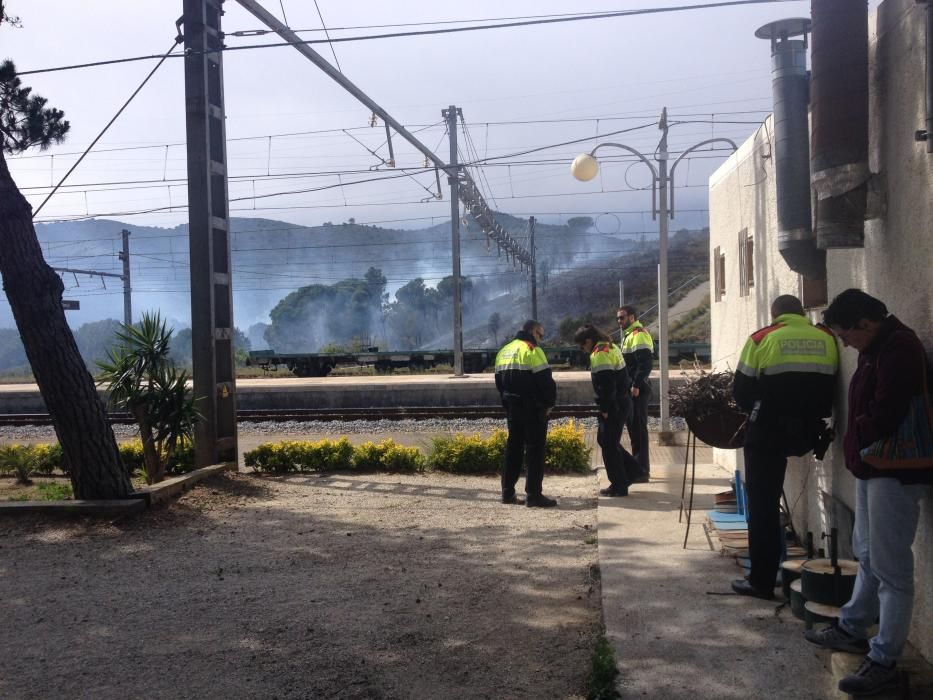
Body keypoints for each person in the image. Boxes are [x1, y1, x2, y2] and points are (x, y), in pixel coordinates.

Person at [805, 289, 932, 696]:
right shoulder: (877, 348)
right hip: (872, 465)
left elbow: (887, 410)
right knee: (870, 554)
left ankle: (884, 660)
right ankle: (854, 626)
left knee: (893, 569)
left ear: (866, 322)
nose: (845, 343)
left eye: (847, 334)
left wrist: (861, 433)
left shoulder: (899, 349)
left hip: (893, 471)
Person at [731, 294, 838, 600]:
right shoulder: (826, 338)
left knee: (763, 505)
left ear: (775, 314)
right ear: (801, 313)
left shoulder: (762, 338)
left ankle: (761, 581)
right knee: (771, 498)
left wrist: (763, 410)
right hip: (808, 433)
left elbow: (741, 391)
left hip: (767, 432)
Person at [494, 319, 558, 508]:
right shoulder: (532, 350)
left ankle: (507, 492)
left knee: (513, 449)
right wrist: (549, 404)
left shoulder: (503, 351)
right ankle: (533, 494)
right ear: (531, 332)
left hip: (513, 408)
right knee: (535, 450)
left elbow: (499, 383)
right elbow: (546, 382)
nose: (541, 339)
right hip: (533, 409)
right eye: (540, 334)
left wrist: (507, 402)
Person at [573, 324, 640, 496]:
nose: (583, 350)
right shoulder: (610, 346)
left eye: (582, 346)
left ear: (588, 340)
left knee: (608, 444)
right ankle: (634, 471)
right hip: (622, 401)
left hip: (614, 405)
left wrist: (605, 408)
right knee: (606, 441)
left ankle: (619, 485)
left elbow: (606, 385)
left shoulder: (600, 353)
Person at [617, 305, 653, 481]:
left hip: (637, 389)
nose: (619, 321)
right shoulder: (629, 335)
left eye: (622, 318)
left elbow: (645, 363)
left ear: (631, 317)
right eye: (618, 318)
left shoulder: (638, 334)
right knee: (634, 429)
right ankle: (639, 468)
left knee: (638, 430)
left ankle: (642, 470)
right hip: (632, 388)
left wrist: (636, 384)